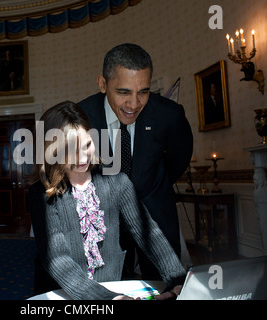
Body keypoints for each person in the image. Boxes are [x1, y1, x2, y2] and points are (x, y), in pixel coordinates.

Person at [28, 101, 186, 300]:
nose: (82, 157)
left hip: (112, 286)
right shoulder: (42, 194)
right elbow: (58, 260)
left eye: (87, 144)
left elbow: (149, 234)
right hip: (61, 294)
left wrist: (178, 278)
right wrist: (106, 299)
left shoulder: (117, 182)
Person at [78, 43, 193, 280]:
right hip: (104, 220)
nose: (134, 104)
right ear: (102, 84)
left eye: (143, 92)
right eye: (123, 92)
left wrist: (154, 184)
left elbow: (178, 159)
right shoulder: (80, 117)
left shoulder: (169, 115)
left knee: (166, 285)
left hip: (155, 215)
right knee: (110, 287)